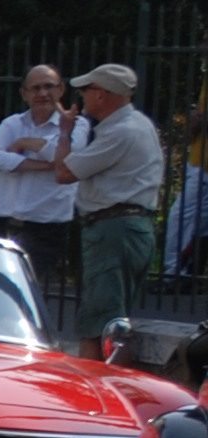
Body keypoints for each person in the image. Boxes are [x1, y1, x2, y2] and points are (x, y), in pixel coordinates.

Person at [59, 63, 164, 351]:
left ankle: (96, 389)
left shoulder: (121, 132)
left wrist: (65, 133)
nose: (81, 96)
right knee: (112, 320)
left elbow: (64, 172)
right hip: (126, 228)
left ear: (102, 95)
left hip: (113, 230)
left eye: (85, 90)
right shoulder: (138, 124)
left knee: (101, 324)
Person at [0, 61, 77, 296]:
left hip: (45, 226)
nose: (42, 93)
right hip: (3, 220)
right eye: (35, 88)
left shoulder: (77, 126)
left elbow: (68, 162)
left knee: (22, 290)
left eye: (49, 86)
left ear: (61, 89)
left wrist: (25, 143)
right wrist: (45, 164)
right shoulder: (12, 123)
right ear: (24, 93)